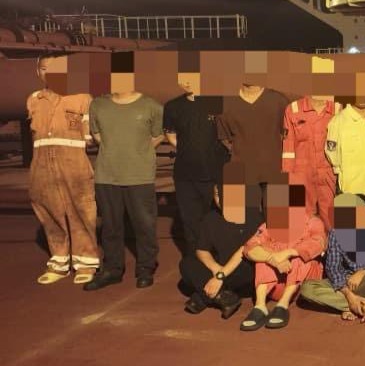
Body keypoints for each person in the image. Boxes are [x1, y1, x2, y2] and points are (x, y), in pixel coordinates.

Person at [27, 53, 101, 285]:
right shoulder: (33, 99)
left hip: (73, 163)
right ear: (38, 72)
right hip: (41, 164)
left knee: (81, 210)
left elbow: (90, 136)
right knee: (49, 212)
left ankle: (85, 262)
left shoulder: (82, 98)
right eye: (44, 69)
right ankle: (59, 262)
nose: (50, 73)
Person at [85, 86, 164, 291]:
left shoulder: (151, 106)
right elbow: (97, 135)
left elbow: (157, 136)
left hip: (140, 177)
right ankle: (113, 270)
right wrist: (116, 150)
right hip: (107, 176)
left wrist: (137, 152)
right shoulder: (98, 105)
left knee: (144, 225)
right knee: (110, 226)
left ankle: (146, 268)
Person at [241, 183, 327, 331]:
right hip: (277, 284)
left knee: (300, 256)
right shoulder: (270, 225)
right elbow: (249, 247)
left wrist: (288, 252)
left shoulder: (313, 222)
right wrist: (273, 259)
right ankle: (260, 306)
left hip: (303, 285)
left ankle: (283, 305)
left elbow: (319, 243)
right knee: (263, 256)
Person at [178, 170, 262, 319]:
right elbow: (202, 250)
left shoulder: (252, 215)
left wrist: (220, 276)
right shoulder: (210, 219)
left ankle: (202, 297)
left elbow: (244, 251)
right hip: (221, 268)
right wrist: (216, 269)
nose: (219, 198)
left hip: (243, 267)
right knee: (187, 264)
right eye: (217, 194)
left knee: (250, 269)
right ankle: (224, 297)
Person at [300, 193, 365, 322]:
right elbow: (333, 268)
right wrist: (349, 295)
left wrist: (364, 271)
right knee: (307, 288)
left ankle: (349, 305)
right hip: (346, 281)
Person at [164, 79, 227, 252]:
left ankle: (219, 259)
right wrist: (189, 149)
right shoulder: (172, 106)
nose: (187, 81)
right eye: (182, 77)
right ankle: (195, 261)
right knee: (191, 222)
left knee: (218, 219)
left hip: (215, 173)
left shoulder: (219, 102)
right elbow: (170, 134)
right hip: (185, 176)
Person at [217, 84, 291, 198]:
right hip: (241, 176)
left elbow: (290, 135)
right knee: (244, 210)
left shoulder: (279, 101)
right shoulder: (226, 103)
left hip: (275, 174)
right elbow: (223, 139)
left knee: (278, 210)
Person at [283, 96, 341, 225]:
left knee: (330, 220)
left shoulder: (337, 109)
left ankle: (330, 239)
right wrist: (288, 178)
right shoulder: (293, 109)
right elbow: (288, 149)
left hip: (328, 174)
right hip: (301, 175)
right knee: (302, 220)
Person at [326, 101, 365, 221]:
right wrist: (344, 172)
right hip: (353, 184)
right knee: (355, 224)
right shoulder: (339, 121)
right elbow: (332, 152)